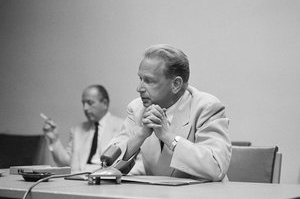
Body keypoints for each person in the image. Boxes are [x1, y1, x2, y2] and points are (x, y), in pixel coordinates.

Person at [111, 44, 231, 181]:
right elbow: (108, 163)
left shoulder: (206, 107)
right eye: (140, 79)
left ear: (176, 84)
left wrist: (168, 137)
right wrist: (140, 135)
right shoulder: (137, 108)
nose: (139, 88)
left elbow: (216, 167)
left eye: (149, 81)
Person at [42, 85, 123, 172]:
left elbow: (135, 164)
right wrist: (54, 140)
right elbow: (65, 164)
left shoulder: (122, 127)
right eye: (83, 103)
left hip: (108, 181)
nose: (85, 108)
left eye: (90, 103)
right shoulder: (77, 130)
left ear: (105, 103)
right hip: (79, 180)